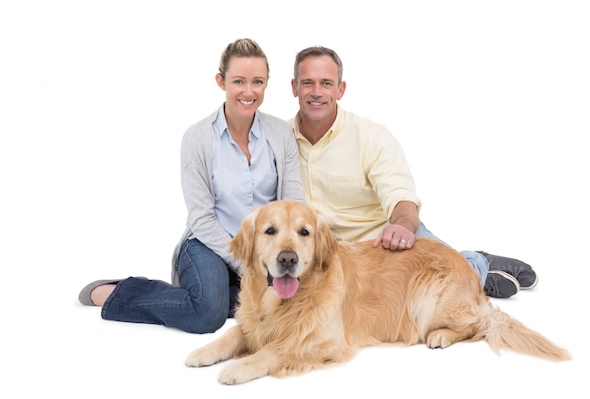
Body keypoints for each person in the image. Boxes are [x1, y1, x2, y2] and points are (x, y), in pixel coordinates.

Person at [78, 38, 305, 333]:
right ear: (221, 81)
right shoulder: (197, 138)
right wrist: (247, 264)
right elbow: (202, 219)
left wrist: (273, 255)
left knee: (287, 304)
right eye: (239, 81)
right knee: (207, 313)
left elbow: (294, 205)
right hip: (206, 242)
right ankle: (119, 292)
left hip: (265, 249)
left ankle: (197, 294)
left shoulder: (280, 134)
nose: (249, 92)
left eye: (257, 82)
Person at [287, 45, 537, 298]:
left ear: (340, 90)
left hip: (386, 241)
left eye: (326, 83)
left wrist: (402, 228)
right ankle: (475, 268)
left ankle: (474, 267)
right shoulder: (279, 139)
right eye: (308, 83)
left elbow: (401, 198)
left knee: (431, 289)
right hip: (331, 255)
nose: (316, 92)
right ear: (295, 87)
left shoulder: (372, 137)